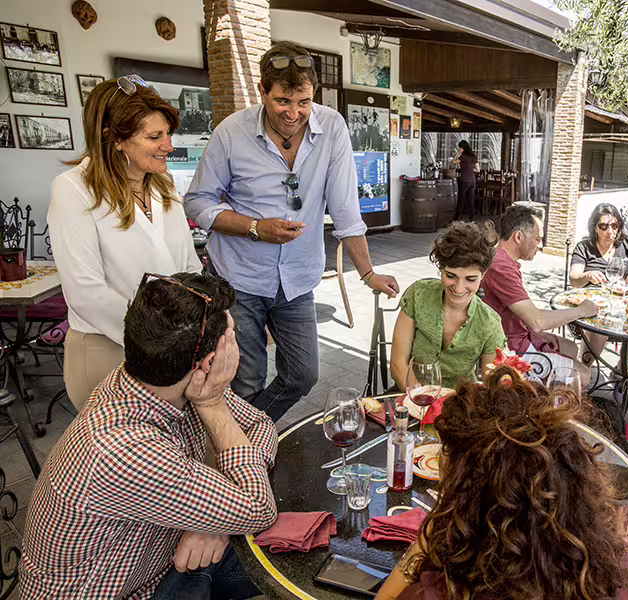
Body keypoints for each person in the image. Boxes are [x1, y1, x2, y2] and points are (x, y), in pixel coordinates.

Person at [20, 273, 278, 599]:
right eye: (233, 337)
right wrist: (213, 406)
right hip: (133, 591)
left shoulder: (159, 376)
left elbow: (260, 425)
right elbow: (257, 508)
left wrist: (216, 523)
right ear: (210, 363)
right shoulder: (122, 448)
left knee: (294, 544)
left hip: (160, 561)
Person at [184, 41, 399, 422]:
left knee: (303, 375)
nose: (295, 113)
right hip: (238, 278)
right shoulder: (230, 133)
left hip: (297, 280)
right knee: (245, 381)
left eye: (304, 101)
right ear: (262, 91)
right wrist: (254, 228)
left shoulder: (331, 126)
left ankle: (250, 433)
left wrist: (368, 274)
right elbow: (197, 203)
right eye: (283, 101)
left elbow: (347, 209)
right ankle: (248, 461)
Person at [375, 366, 628, 600]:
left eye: (446, 453)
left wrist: (425, 540)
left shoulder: (443, 591)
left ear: (471, 497)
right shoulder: (616, 568)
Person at [49, 76, 202, 411]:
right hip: (109, 350)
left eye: (168, 134)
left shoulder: (163, 182)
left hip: (174, 348)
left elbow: (189, 265)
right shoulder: (74, 189)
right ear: (114, 138)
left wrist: (201, 322)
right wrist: (161, 341)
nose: (169, 146)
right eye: (154, 137)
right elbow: (85, 291)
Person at [481, 205, 598, 384]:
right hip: (507, 348)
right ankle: (548, 406)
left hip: (517, 335)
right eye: (537, 239)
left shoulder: (504, 260)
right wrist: (581, 311)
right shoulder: (501, 266)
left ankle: (552, 397)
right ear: (518, 237)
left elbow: (530, 315)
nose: (540, 245)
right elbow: (537, 321)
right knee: (581, 375)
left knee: (570, 347)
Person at [391, 221, 506, 389]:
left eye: (470, 279)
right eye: (451, 276)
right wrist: (420, 399)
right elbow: (398, 363)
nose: (459, 288)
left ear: (484, 274)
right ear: (441, 268)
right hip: (410, 393)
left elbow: (492, 384)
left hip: (460, 403)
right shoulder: (419, 295)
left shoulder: (490, 324)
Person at [570, 203, 628, 366]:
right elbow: (574, 279)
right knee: (599, 331)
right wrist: (586, 275)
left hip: (623, 305)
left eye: (614, 226)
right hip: (594, 305)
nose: (610, 231)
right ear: (594, 227)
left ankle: (618, 374)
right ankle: (584, 371)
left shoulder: (627, 244)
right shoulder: (584, 247)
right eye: (603, 226)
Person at [451, 140, 480, 221]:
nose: (459, 149)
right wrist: (470, 169)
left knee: (461, 200)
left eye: (459, 147)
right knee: (471, 200)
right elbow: (478, 170)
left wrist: (458, 153)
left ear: (462, 148)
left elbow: (453, 162)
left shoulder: (463, 156)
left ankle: (457, 217)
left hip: (464, 180)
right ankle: (472, 218)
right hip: (472, 181)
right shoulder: (473, 156)